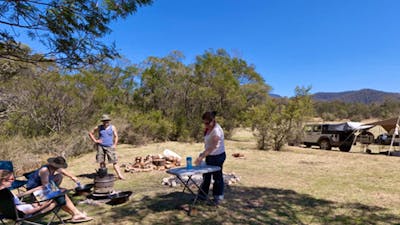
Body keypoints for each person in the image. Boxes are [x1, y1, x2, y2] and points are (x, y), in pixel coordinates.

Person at [0, 169, 92, 222]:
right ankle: (76, 214)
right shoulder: (5, 193)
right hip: (30, 213)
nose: (14, 180)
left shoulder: (4, 192)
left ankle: (75, 214)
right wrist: (45, 205)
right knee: (59, 195)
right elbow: (25, 213)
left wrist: (37, 189)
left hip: (28, 207)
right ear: (3, 180)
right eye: (12, 179)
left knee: (53, 191)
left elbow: (17, 198)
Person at [194, 111, 226, 204]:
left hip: (218, 157)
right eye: (204, 123)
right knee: (206, 175)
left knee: (217, 176)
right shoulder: (209, 128)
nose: (205, 125)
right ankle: (202, 195)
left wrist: (201, 157)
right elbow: (208, 145)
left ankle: (218, 197)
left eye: (207, 123)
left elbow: (213, 146)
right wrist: (203, 154)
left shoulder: (216, 131)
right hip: (210, 156)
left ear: (213, 120)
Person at [89, 114, 125, 180]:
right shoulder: (99, 127)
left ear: (109, 121)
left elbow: (116, 136)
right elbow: (90, 133)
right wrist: (95, 140)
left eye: (107, 121)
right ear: (102, 121)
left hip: (110, 146)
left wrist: (115, 144)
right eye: (104, 121)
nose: (106, 122)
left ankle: (120, 175)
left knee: (114, 161)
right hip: (101, 146)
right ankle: (104, 175)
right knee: (101, 161)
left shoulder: (112, 127)